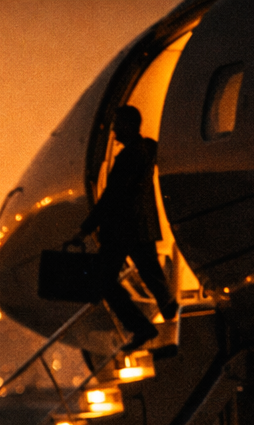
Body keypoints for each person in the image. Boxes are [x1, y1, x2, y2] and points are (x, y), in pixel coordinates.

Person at [72, 104, 180, 354]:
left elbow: (111, 197)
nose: (113, 132)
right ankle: (172, 317)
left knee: (104, 281)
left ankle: (142, 327)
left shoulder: (129, 157)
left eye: (116, 126)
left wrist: (85, 229)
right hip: (141, 228)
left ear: (128, 126)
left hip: (121, 231)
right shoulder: (145, 151)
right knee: (153, 277)